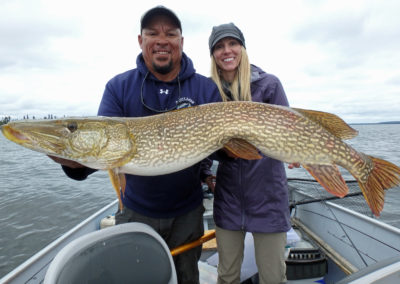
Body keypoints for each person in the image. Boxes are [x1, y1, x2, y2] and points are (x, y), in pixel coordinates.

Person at [50, 6, 221, 284]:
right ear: (141, 41)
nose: (161, 39)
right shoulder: (119, 87)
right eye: (152, 33)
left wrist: (215, 168)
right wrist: (73, 165)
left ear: (181, 41)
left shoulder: (205, 89)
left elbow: (218, 151)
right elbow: (102, 153)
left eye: (171, 33)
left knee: (187, 278)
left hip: (188, 213)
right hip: (135, 212)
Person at [207, 23, 294, 284]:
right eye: (219, 46)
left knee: (273, 278)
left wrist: (298, 151)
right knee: (227, 276)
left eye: (233, 43)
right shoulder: (210, 91)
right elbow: (201, 145)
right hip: (228, 200)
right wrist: (205, 174)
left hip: (268, 199)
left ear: (243, 48)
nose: (227, 51)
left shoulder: (269, 85)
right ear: (213, 54)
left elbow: (290, 129)